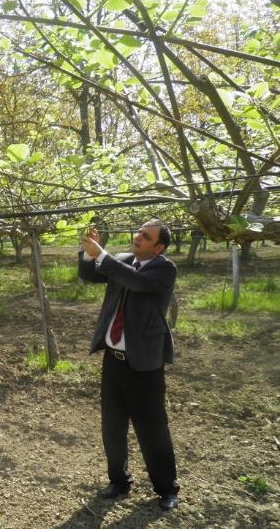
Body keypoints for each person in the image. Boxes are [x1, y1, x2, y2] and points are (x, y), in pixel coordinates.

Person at [78, 219, 180, 511]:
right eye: (138, 232)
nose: (138, 237)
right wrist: (89, 253)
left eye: (145, 236)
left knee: (152, 429)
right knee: (112, 425)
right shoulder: (122, 261)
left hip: (144, 365)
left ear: (158, 247)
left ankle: (167, 488)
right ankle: (119, 481)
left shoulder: (164, 269)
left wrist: (103, 255)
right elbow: (90, 276)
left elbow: (136, 281)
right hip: (114, 360)